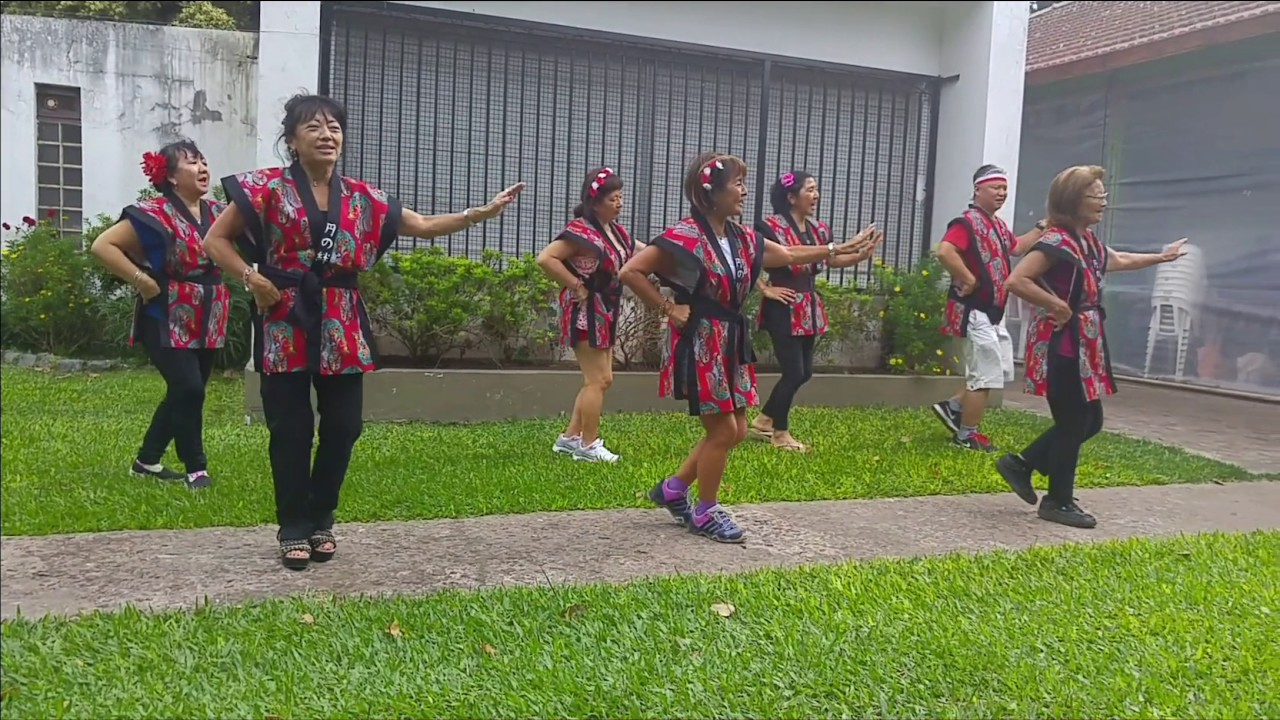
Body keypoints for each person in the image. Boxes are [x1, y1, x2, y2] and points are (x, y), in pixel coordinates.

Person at [201, 93, 525, 569]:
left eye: (333, 126)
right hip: (285, 319)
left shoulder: (363, 197)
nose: (326, 134)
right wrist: (252, 278)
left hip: (341, 322)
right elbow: (214, 241)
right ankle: (293, 524)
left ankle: (321, 517)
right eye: (312, 127)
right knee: (289, 430)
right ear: (291, 141)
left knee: (344, 427)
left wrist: (479, 213)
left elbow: (422, 225)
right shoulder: (265, 187)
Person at [618, 152, 879, 543]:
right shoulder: (683, 237)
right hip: (700, 340)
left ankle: (673, 490)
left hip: (730, 339)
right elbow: (631, 271)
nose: (744, 191)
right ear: (711, 194)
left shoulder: (740, 237)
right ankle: (705, 512)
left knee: (737, 430)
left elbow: (788, 254)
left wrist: (835, 249)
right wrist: (668, 308)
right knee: (723, 431)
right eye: (737, 184)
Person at [1000, 164, 1187, 528]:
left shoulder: (1088, 242)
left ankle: (1022, 465)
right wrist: (1056, 305)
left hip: (1084, 343)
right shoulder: (1055, 242)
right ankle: (1058, 500)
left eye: (1103, 195)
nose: (1103, 202)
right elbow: (1016, 280)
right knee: (1074, 421)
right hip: (1062, 344)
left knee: (1090, 420)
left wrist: (1161, 257)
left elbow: (1117, 260)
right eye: (1095, 196)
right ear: (1072, 201)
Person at [89, 141, 230, 490]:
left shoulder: (218, 212)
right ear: (169, 176)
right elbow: (102, 245)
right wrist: (142, 280)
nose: (202, 168)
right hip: (164, 314)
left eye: (203, 161)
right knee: (189, 388)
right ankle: (196, 467)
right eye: (192, 163)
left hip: (208, 314)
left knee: (185, 392)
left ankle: (146, 461)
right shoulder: (153, 213)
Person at [750, 170, 882, 452]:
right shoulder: (768, 227)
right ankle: (780, 434)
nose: (816, 196)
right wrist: (765, 289)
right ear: (790, 197)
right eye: (810, 190)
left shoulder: (818, 230)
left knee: (804, 371)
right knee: (794, 372)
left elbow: (831, 260)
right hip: (782, 305)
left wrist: (860, 255)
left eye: (816, 189)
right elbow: (748, 260)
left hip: (808, 306)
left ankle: (764, 420)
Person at [931, 163, 1048, 452]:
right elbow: (945, 251)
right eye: (996, 187)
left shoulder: (996, 224)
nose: (1002, 193)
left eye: (1005, 188)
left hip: (992, 312)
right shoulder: (966, 222)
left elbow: (1017, 247)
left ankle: (954, 406)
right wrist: (967, 277)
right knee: (984, 374)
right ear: (978, 189)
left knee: (995, 370)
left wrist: (1042, 228)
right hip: (974, 310)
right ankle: (966, 435)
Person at [537, 167, 640, 463]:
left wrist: (667, 254)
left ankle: (570, 438)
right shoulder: (580, 231)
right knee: (598, 379)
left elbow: (638, 250)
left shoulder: (615, 231)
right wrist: (576, 286)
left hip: (605, 311)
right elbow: (546, 258)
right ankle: (588, 444)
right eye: (613, 198)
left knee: (601, 379)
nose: (619, 203)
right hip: (586, 313)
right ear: (595, 203)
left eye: (621, 197)